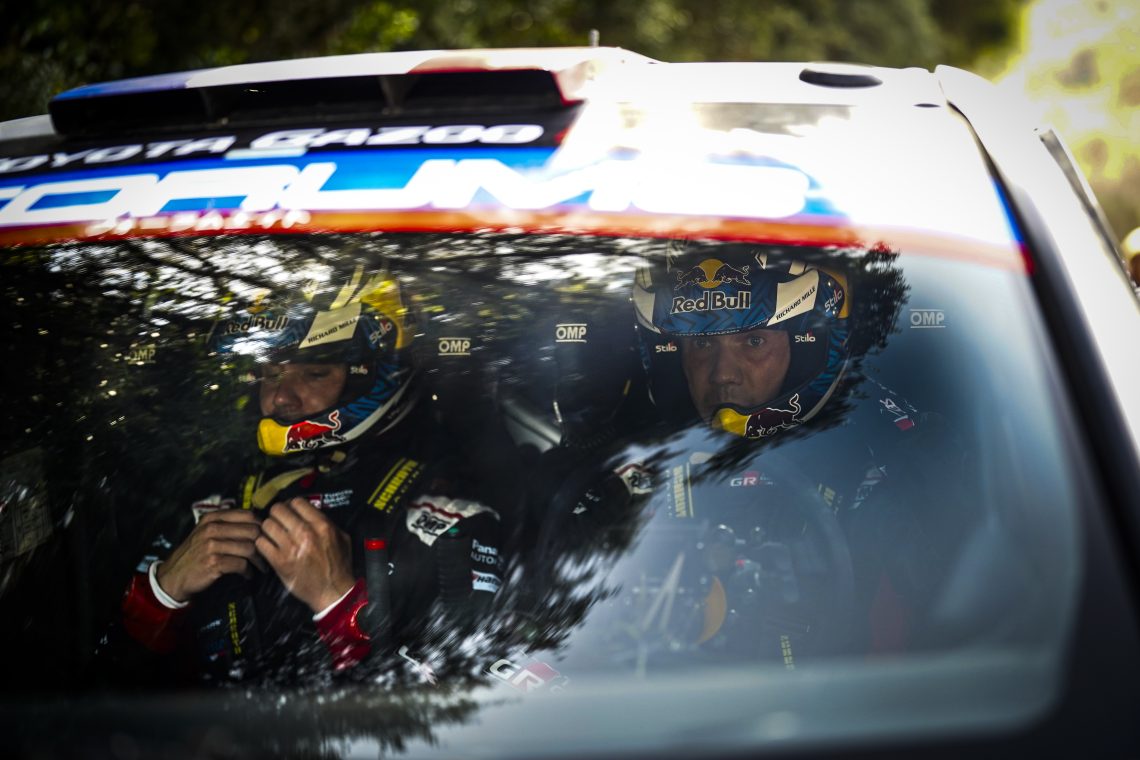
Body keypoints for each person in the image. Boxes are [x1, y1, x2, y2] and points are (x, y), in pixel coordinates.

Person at [106, 267, 505, 685]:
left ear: (374, 374)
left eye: (315, 372)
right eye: (271, 372)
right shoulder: (207, 509)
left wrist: (339, 604)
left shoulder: (450, 524)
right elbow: (94, 686)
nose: (282, 396)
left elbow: (473, 696)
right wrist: (162, 594)